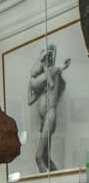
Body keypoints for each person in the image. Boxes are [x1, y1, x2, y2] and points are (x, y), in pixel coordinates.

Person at [27, 43, 71, 173]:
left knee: (38, 157)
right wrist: (30, 84)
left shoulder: (53, 72)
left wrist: (46, 67)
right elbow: (29, 101)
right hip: (44, 120)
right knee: (45, 157)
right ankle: (58, 180)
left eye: (50, 55)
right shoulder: (42, 82)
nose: (48, 58)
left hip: (50, 116)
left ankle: (55, 182)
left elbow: (53, 80)